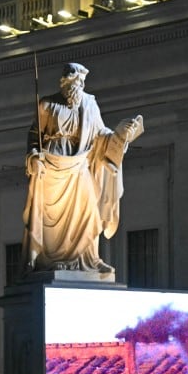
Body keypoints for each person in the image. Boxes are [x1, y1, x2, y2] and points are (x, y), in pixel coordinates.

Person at [22, 62, 144, 274]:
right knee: (52, 217)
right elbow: (34, 135)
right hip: (52, 164)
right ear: (64, 82)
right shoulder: (47, 105)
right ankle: (53, 260)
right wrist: (33, 157)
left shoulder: (89, 104)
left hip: (80, 164)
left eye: (80, 81)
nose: (77, 85)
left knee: (89, 208)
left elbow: (100, 134)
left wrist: (120, 135)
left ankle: (89, 258)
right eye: (73, 80)